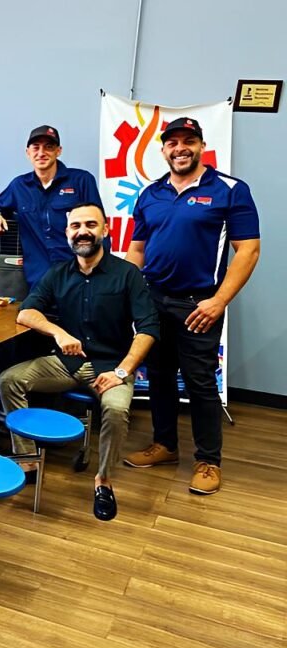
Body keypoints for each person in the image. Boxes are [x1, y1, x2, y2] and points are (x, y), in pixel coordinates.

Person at [123, 117, 260, 496]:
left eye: (188, 141)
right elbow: (137, 250)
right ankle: (165, 446)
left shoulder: (230, 190)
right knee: (160, 376)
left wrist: (218, 301)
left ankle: (208, 461)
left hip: (199, 304)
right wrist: (128, 295)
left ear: (201, 146)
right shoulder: (151, 193)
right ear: (163, 149)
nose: (180, 148)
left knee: (200, 383)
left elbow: (248, 250)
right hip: (153, 300)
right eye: (173, 142)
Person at [0, 203, 159, 520]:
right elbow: (27, 312)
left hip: (112, 366)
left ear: (105, 229)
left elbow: (149, 328)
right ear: (67, 232)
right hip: (68, 363)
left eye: (90, 224)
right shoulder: (59, 272)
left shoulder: (127, 274)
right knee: (9, 379)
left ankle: (103, 481)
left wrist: (123, 371)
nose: (82, 231)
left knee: (114, 408)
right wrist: (58, 333)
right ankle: (27, 457)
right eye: (75, 226)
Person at [0, 125, 103, 291]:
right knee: (29, 315)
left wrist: (100, 270)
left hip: (80, 275)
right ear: (28, 153)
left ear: (58, 151)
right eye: (36, 147)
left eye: (49, 147)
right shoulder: (19, 186)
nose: (41, 153)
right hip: (39, 279)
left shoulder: (81, 180)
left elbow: (99, 226)